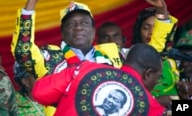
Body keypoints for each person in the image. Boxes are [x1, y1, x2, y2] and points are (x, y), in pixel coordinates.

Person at [11, 0, 121, 115]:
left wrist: (156, 13)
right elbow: (23, 51)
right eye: (71, 24)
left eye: (84, 23)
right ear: (62, 33)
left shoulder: (113, 55)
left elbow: (152, 60)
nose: (78, 27)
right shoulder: (49, 57)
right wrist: (32, 1)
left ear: (93, 30)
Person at [32, 43, 165, 116]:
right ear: (149, 73)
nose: (156, 83)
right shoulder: (149, 106)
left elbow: (39, 92)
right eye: (157, 78)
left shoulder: (85, 68)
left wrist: (70, 96)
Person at [131, 6, 180, 109]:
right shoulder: (128, 59)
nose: (151, 32)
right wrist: (156, 102)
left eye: (156, 28)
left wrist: (184, 97)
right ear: (138, 31)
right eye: (146, 27)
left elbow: (183, 107)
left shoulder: (171, 63)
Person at [173, 19, 192, 100]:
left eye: (188, 57)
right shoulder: (176, 80)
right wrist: (184, 99)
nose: (184, 63)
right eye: (180, 57)